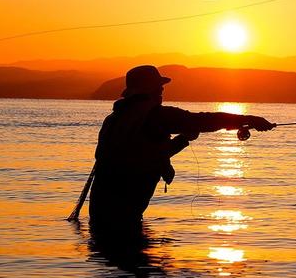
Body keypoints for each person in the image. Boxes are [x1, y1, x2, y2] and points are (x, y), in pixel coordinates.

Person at [88, 65, 275, 234]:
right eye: (158, 86)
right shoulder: (156, 116)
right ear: (149, 90)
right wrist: (250, 119)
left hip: (101, 213)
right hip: (122, 216)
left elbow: (146, 156)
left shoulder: (114, 120)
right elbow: (204, 120)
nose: (162, 89)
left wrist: (183, 139)